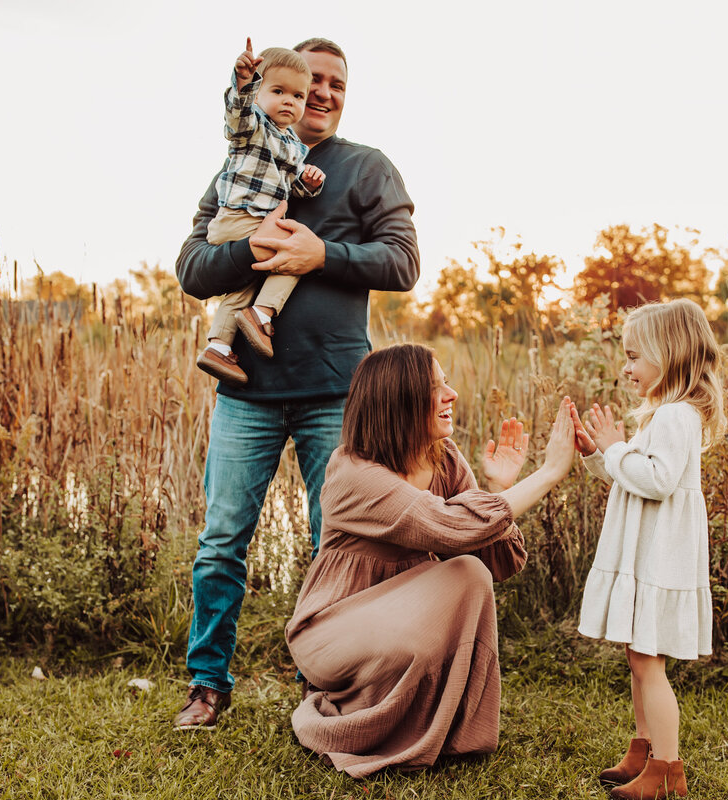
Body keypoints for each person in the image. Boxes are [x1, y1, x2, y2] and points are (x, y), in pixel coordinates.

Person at [172, 38, 420, 732]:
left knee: (334, 543)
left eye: (336, 82)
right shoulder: (241, 160)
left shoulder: (368, 169)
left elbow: (403, 262)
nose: (322, 91)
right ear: (284, 85)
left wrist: (323, 253)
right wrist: (250, 250)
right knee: (222, 540)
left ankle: (329, 685)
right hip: (243, 390)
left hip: (337, 393)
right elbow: (192, 268)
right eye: (310, 79)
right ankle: (207, 684)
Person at [284, 343, 578, 777]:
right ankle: (362, 715)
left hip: (401, 625)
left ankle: (445, 730)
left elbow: (499, 560)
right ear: (399, 400)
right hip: (331, 631)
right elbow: (450, 526)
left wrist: (497, 487)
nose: (452, 394)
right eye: (436, 386)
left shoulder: (445, 460)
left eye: (447, 383)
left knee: (471, 571)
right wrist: (550, 472)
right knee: (463, 569)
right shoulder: (353, 473)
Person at [569, 298, 728, 799]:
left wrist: (616, 449)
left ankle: (667, 770)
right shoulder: (661, 416)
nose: (626, 366)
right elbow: (631, 480)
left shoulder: (678, 417)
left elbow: (656, 481)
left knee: (648, 663)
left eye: (635, 356)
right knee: (637, 656)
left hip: (661, 560)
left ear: (671, 354)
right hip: (646, 559)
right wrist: (600, 455)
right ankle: (642, 750)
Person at [196, 39, 327, 387]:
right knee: (293, 255)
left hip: (250, 223)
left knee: (241, 287)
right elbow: (237, 116)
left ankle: (218, 347)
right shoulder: (253, 127)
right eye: (279, 91)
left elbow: (290, 187)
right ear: (258, 94)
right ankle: (262, 313)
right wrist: (243, 84)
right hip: (241, 217)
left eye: (298, 96)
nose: (289, 101)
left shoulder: (294, 145)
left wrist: (309, 182)